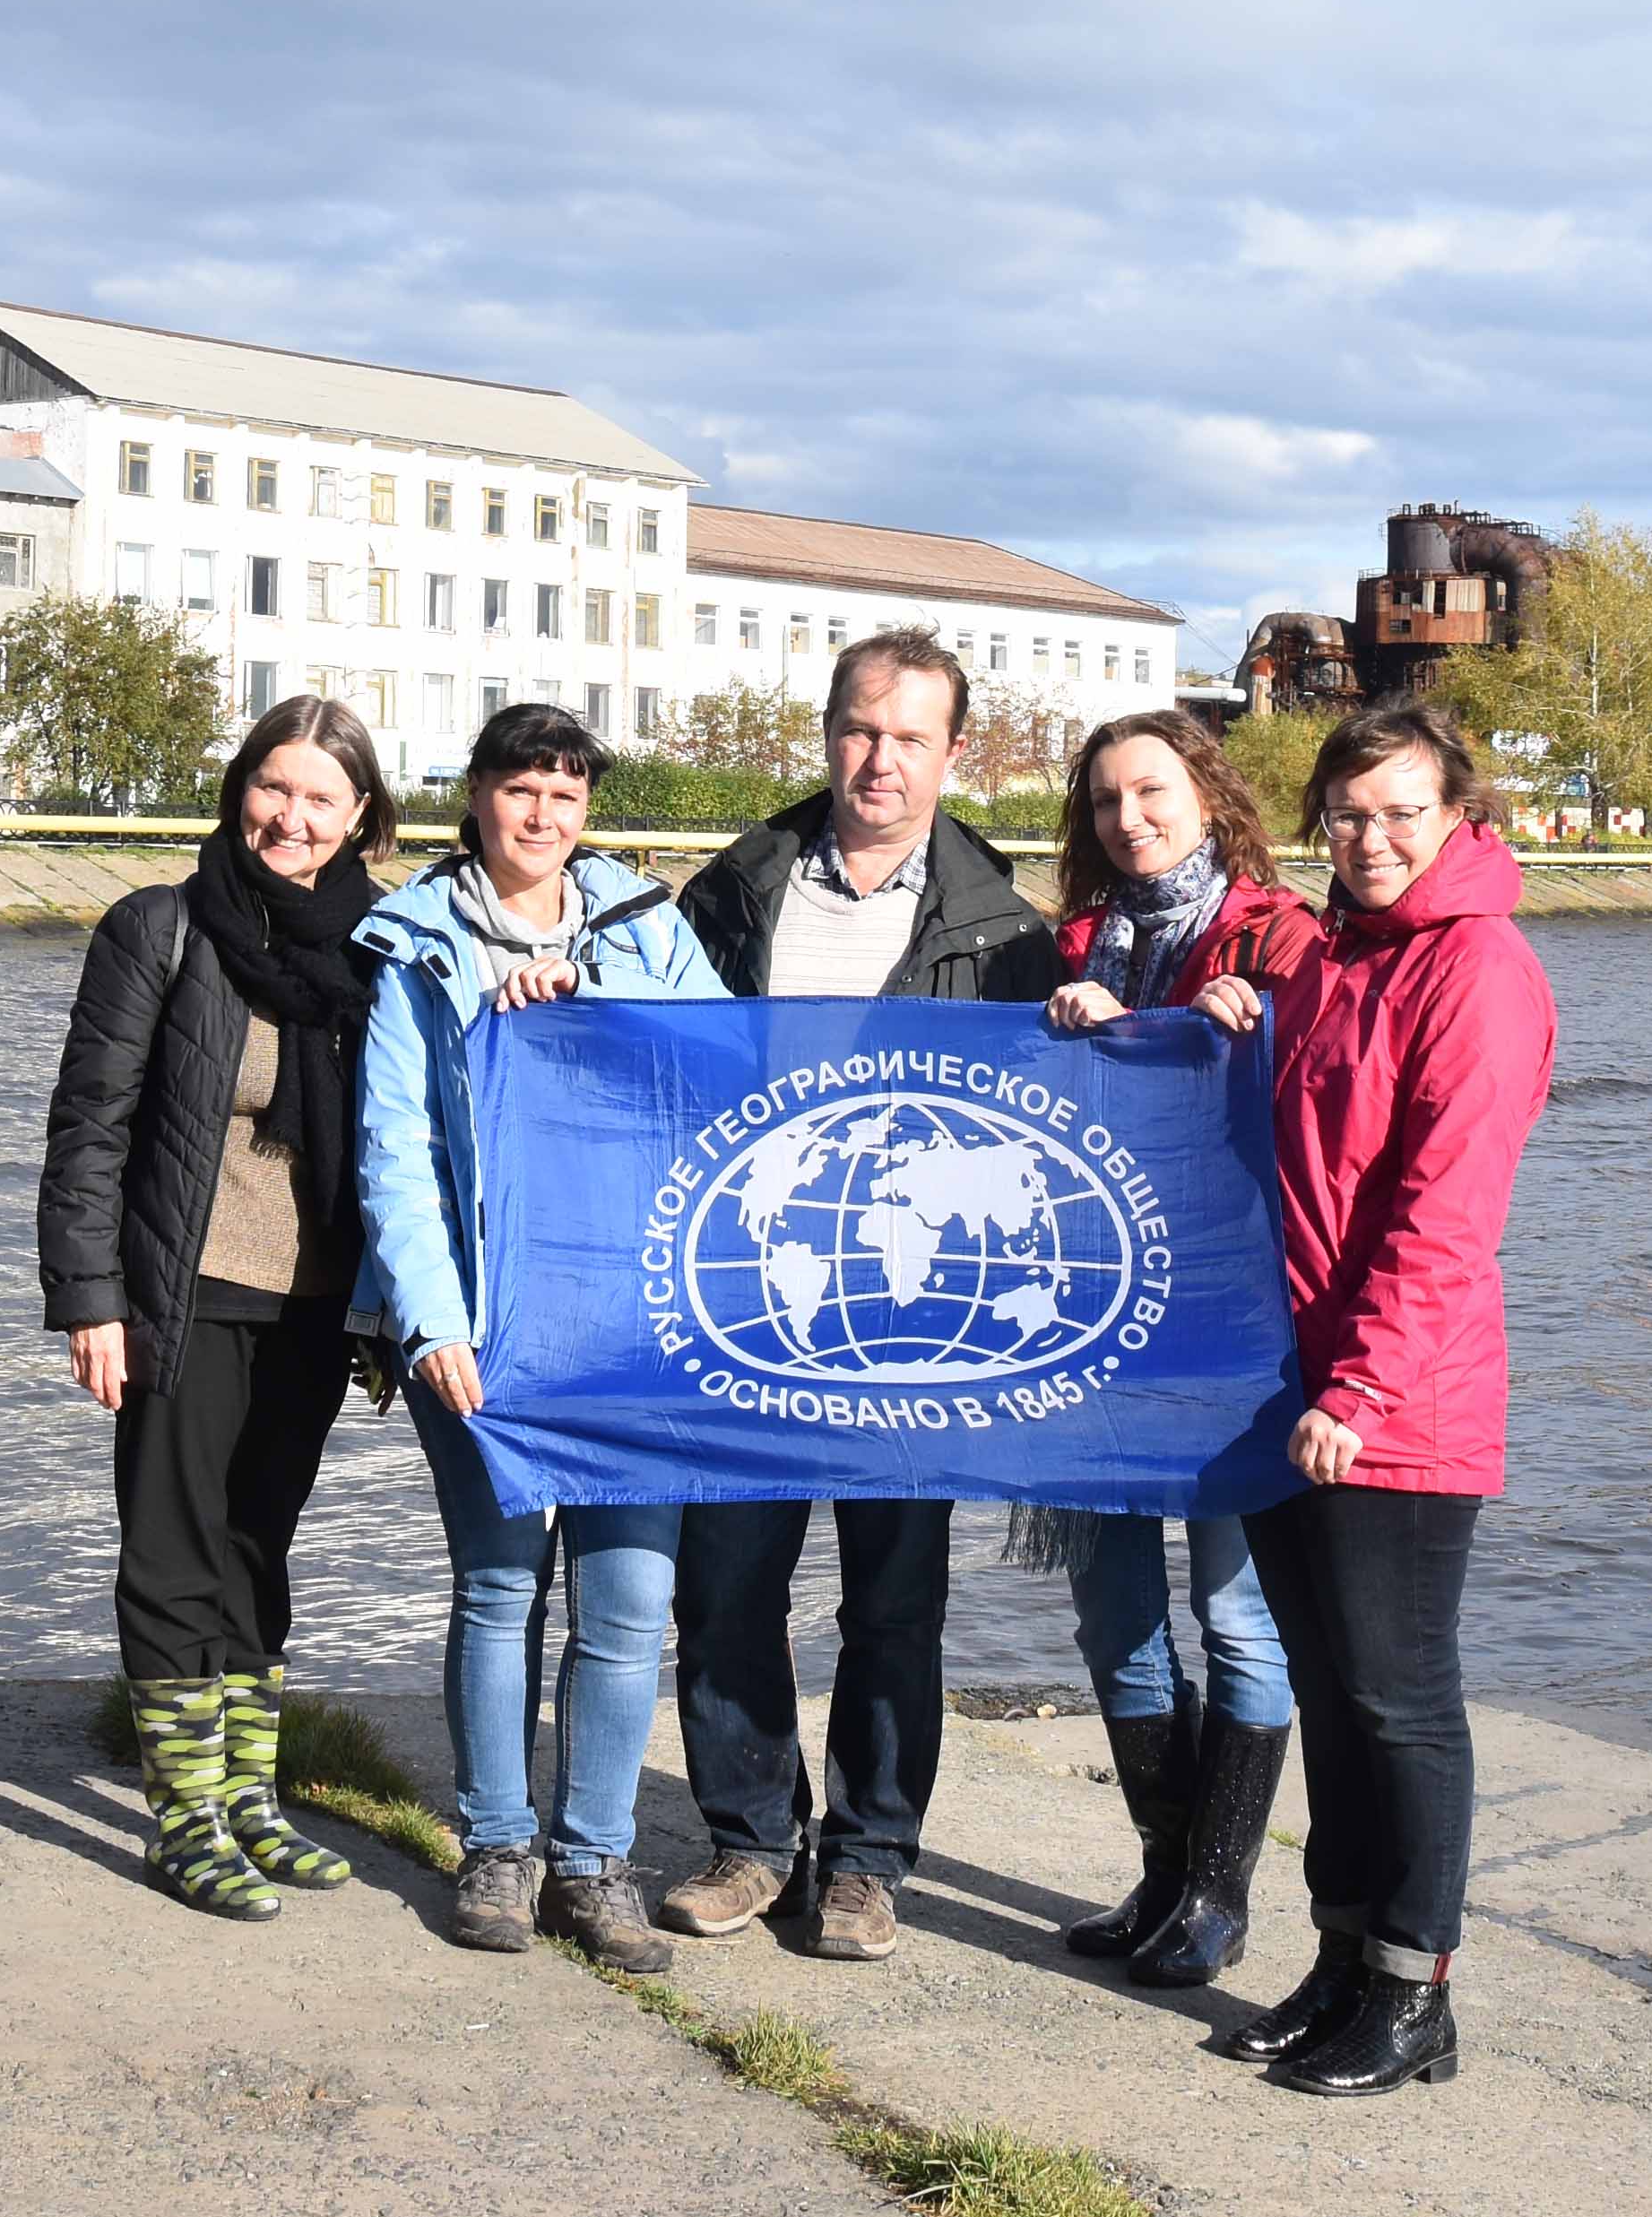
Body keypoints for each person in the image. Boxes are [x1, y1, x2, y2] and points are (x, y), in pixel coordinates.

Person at [657, 628, 1061, 1959]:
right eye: (857, 729)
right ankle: (748, 1840)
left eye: (907, 737)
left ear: (956, 753)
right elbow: (643, 1042)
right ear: (826, 732)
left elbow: (1054, 1123)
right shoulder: (737, 890)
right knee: (724, 1589)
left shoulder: (1007, 933)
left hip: (910, 1318)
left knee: (893, 1602)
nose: (877, 760)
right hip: (749, 1303)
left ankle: (871, 1859)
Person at [1212, 698, 1554, 2100]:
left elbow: (1443, 1214)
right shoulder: (1331, 962)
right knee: (1335, 1695)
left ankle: (1417, 1991)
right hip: (1292, 1394)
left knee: (1401, 1700)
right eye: (1350, 815)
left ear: (1457, 816)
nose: (1373, 838)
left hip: (1394, 1405)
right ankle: (1345, 1958)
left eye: (1403, 811)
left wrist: (1360, 1386)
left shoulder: (1478, 969)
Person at [357, 700, 731, 1969]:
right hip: (488, 1328)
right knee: (501, 1584)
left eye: (566, 796)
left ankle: (594, 1859)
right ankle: (499, 1847)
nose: (542, 816)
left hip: (632, 1326)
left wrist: (590, 1010)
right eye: (521, 791)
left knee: (628, 1601)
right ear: (476, 796)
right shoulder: (416, 946)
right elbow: (393, 1149)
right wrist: (431, 1321)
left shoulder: (647, 929)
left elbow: (722, 1078)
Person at [37, 694, 395, 1923]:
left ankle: (249, 1798)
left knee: (258, 1549)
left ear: (358, 821)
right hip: (178, 1296)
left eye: (319, 800)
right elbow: (90, 1127)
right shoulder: (162, 929)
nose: (290, 819)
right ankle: (181, 1816)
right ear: (240, 786)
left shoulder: (374, 950)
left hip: (312, 1304)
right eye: (273, 788)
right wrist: (91, 1300)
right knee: (175, 1549)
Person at [1029, 706, 1318, 1988]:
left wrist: (1262, 1027)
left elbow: (1331, 1104)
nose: (1128, 820)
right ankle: (1160, 1873)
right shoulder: (1075, 945)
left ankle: (1216, 1894)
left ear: (1206, 792)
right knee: (1115, 1617)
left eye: (1151, 792)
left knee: (1236, 1614)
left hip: (1232, 1328)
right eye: (1104, 802)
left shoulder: (1282, 934)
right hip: (1086, 1326)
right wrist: (1065, 1035)